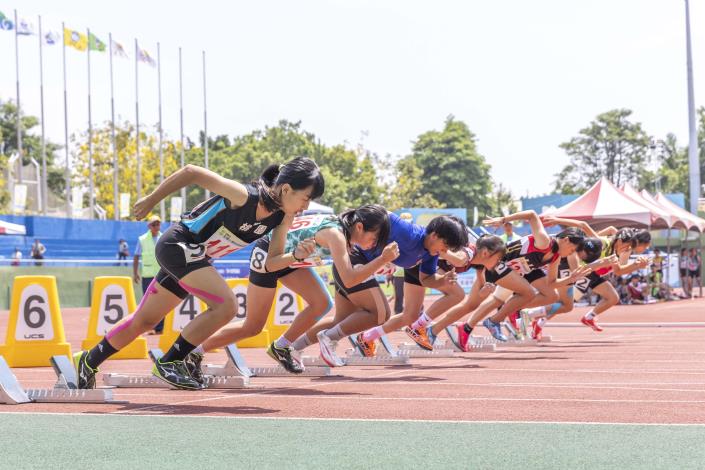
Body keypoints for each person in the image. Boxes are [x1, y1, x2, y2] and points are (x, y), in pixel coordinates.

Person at [73, 157, 325, 390]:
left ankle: (88, 360)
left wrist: (296, 257)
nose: (306, 206)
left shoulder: (282, 218)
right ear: (286, 189)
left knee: (145, 321)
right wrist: (152, 199)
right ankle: (171, 361)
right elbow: (192, 172)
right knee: (227, 306)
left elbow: (271, 264)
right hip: (177, 246)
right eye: (306, 198)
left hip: (194, 257)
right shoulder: (244, 196)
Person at [188, 205, 396, 376]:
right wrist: (382, 259)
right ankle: (195, 351)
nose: (375, 243)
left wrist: (380, 263)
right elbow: (350, 280)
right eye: (376, 237)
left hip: (292, 259)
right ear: (359, 227)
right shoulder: (336, 235)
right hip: (270, 255)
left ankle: (282, 346)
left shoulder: (343, 230)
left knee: (322, 303)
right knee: (253, 326)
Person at [133, 216, 164, 334]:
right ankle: (149, 327)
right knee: (147, 302)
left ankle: (160, 328)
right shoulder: (142, 239)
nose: (156, 227)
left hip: (161, 274)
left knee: (162, 301)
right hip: (147, 274)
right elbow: (136, 256)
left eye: (158, 224)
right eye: (154, 224)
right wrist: (135, 273)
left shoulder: (164, 237)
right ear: (149, 226)